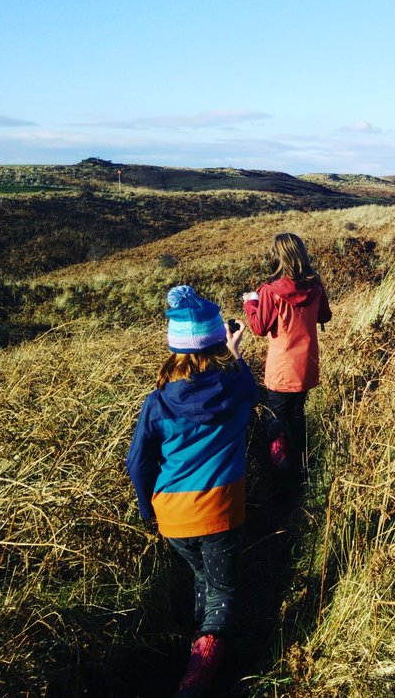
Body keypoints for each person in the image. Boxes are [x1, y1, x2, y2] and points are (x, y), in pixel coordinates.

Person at [127, 285, 258, 697]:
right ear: (217, 341)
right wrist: (236, 351)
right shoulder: (235, 387)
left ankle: (201, 643)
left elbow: (138, 462)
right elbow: (253, 392)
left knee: (202, 576)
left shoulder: (158, 402)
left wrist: (148, 510)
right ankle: (200, 675)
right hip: (220, 510)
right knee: (224, 588)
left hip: (172, 515)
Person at [243, 233, 332, 487]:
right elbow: (325, 316)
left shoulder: (271, 291)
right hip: (306, 366)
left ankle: (281, 476)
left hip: (281, 370)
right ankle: (302, 470)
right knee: (297, 416)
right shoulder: (315, 286)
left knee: (276, 421)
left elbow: (259, 327)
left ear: (278, 257)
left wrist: (250, 304)